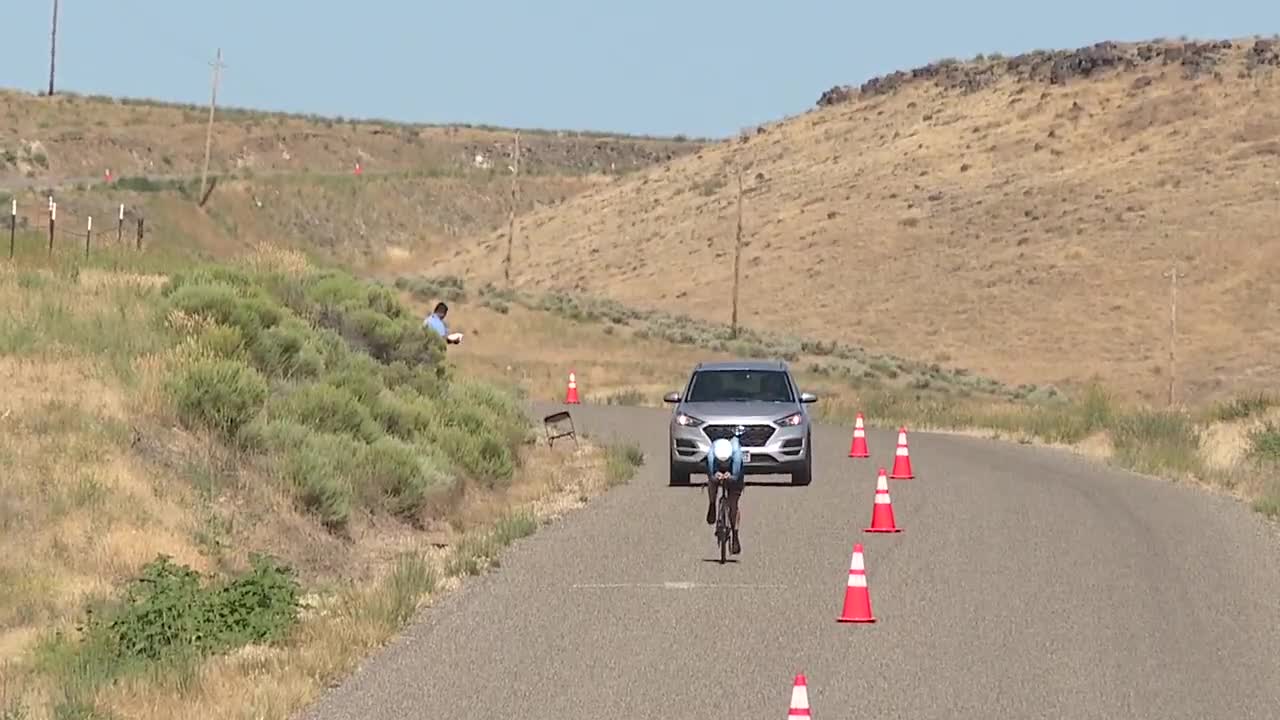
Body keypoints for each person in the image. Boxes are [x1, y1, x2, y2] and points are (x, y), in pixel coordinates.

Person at [705, 436, 745, 555]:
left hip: (734, 473)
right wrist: (714, 475)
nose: (723, 464)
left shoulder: (737, 456)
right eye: (721, 462)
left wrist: (731, 476)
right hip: (715, 468)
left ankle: (735, 535)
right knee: (712, 484)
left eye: (725, 462)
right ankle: (712, 504)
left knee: (733, 504)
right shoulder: (711, 455)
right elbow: (710, 474)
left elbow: (737, 476)